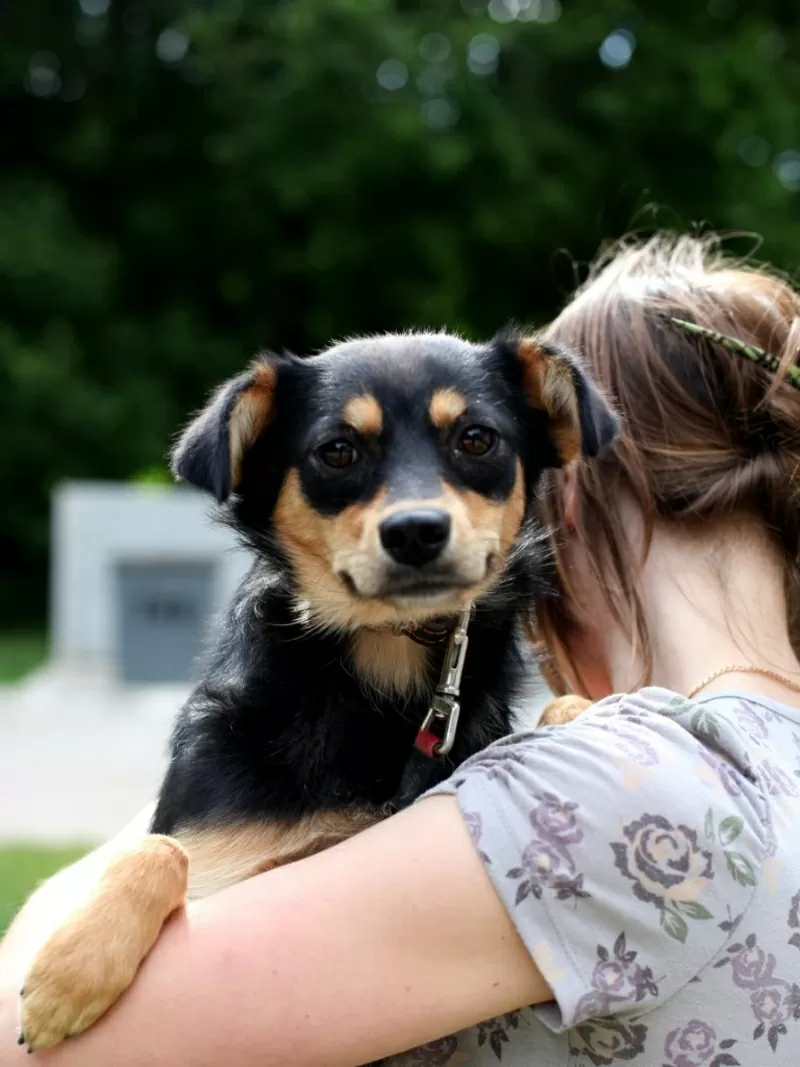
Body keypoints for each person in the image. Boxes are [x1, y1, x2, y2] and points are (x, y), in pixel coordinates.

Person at [2, 231, 800, 1066]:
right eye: (341, 455)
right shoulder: (722, 759)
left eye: (476, 444)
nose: (416, 507)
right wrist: (149, 864)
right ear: (265, 488)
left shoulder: (588, 787)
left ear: (566, 477)